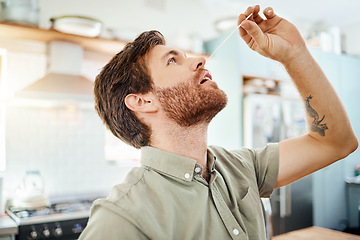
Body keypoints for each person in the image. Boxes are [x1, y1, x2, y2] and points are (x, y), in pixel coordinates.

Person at [79, 5, 358, 240]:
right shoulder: (121, 218)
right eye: (173, 61)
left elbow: (336, 142)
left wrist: (295, 54)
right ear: (143, 101)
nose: (199, 60)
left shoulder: (242, 167)